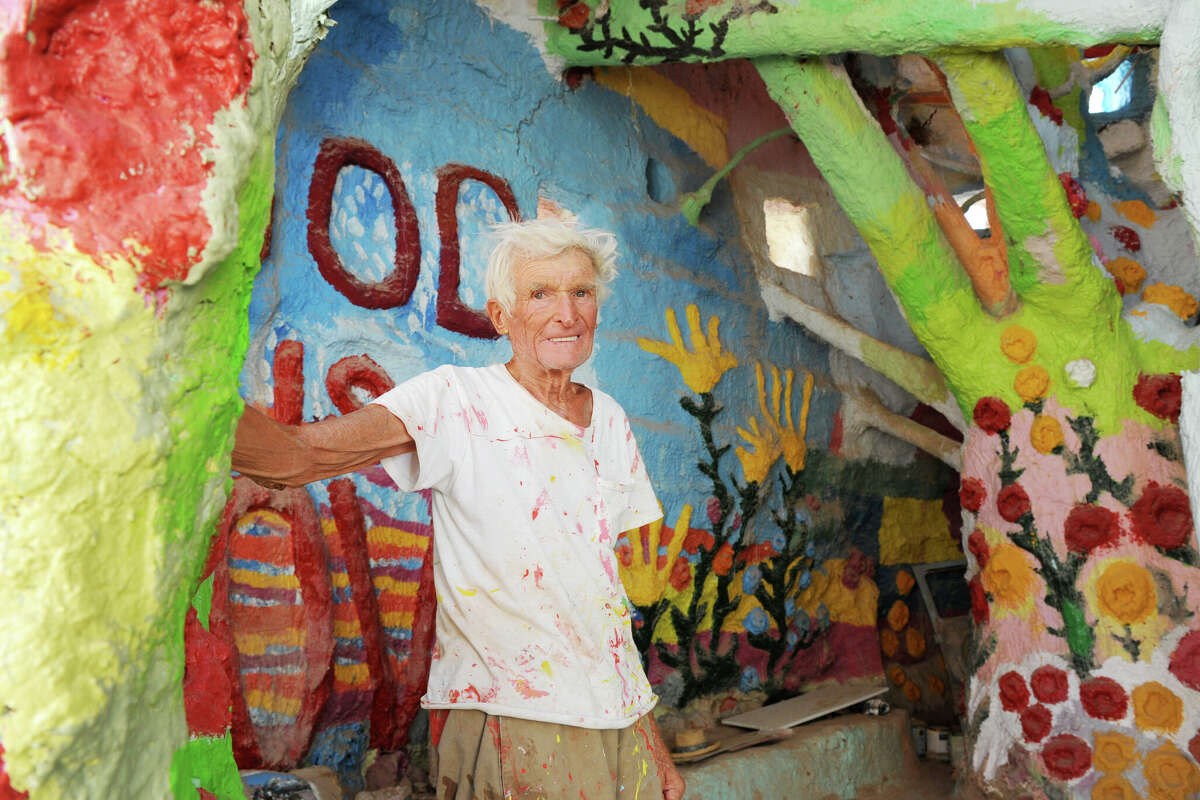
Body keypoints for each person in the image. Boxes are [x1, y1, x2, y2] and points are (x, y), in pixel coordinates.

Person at [232, 218, 686, 800]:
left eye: (581, 292)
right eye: (540, 294)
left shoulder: (612, 421)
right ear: (501, 317)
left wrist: (651, 743)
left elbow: (603, 604)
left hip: (618, 724)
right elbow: (296, 458)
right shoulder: (455, 401)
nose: (566, 314)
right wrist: (192, 390)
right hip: (513, 717)